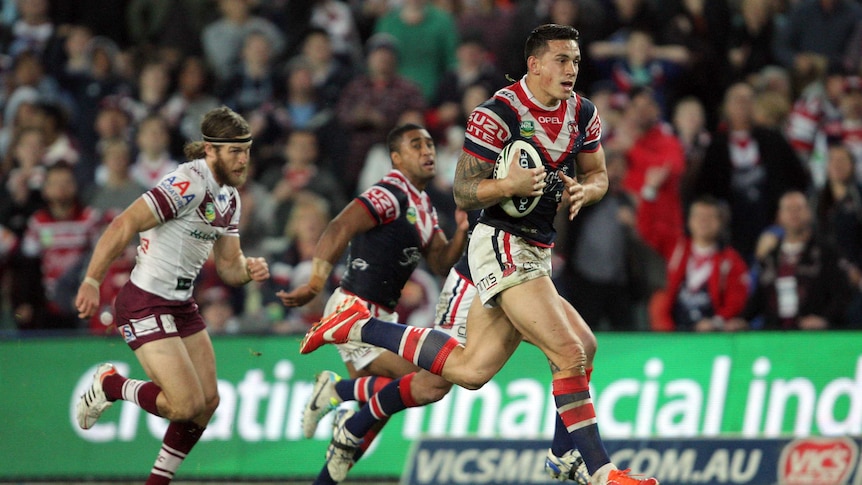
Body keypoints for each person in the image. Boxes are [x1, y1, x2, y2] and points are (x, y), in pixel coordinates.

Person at [299, 24, 659, 485]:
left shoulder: (583, 112)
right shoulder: (498, 113)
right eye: (562, 60)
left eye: (575, 60)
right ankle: (599, 469)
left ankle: (354, 330)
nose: (571, 69)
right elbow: (465, 191)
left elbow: (599, 173)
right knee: (567, 352)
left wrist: (586, 191)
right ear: (535, 64)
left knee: (473, 371)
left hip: (535, 250)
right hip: (496, 248)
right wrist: (507, 185)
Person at [73, 106, 271, 484]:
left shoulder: (230, 197)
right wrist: (92, 280)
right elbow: (125, 223)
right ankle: (109, 385)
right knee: (184, 404)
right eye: (235, 151)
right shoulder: (187, 183)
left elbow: (229, 266)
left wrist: (249, 270)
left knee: (208, 403)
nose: (243, 159)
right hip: (144, 302)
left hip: (180, 306)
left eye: (246, 150)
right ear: (211, 151)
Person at [277, 123, 469, 484]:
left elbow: (441, 262)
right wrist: (316, 281)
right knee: (425, 381)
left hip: (384, 315)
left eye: (430, 144)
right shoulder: (390, 191)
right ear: (396, 157)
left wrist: (460, 231)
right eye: (417, 145)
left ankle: (326, 472)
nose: (428, 151)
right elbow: (339, 227)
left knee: (370, 421)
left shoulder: (423, 205)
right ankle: (334, 390)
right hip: (354, 312)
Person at [729, 190, 852, 330]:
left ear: (809, 213)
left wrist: (825, 319)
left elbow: (843, 294)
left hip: (814, 336)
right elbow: (759, 297)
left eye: (799, 208)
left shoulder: (826, 252)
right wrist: (742, 319)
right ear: (779, 216)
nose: (794, 214)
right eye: (788, 209)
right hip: (776, 336)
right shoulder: (771, 257)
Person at [650, 195, 750, 332]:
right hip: (674, 332)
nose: (704, 221)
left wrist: (716, 322)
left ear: (720, 222)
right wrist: (649, 194)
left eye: (710, 217)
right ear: (689, 221)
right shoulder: (676, 248)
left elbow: (736, 300)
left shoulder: (731, 260)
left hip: (710, 333)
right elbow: (648, 230)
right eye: (699, 216)